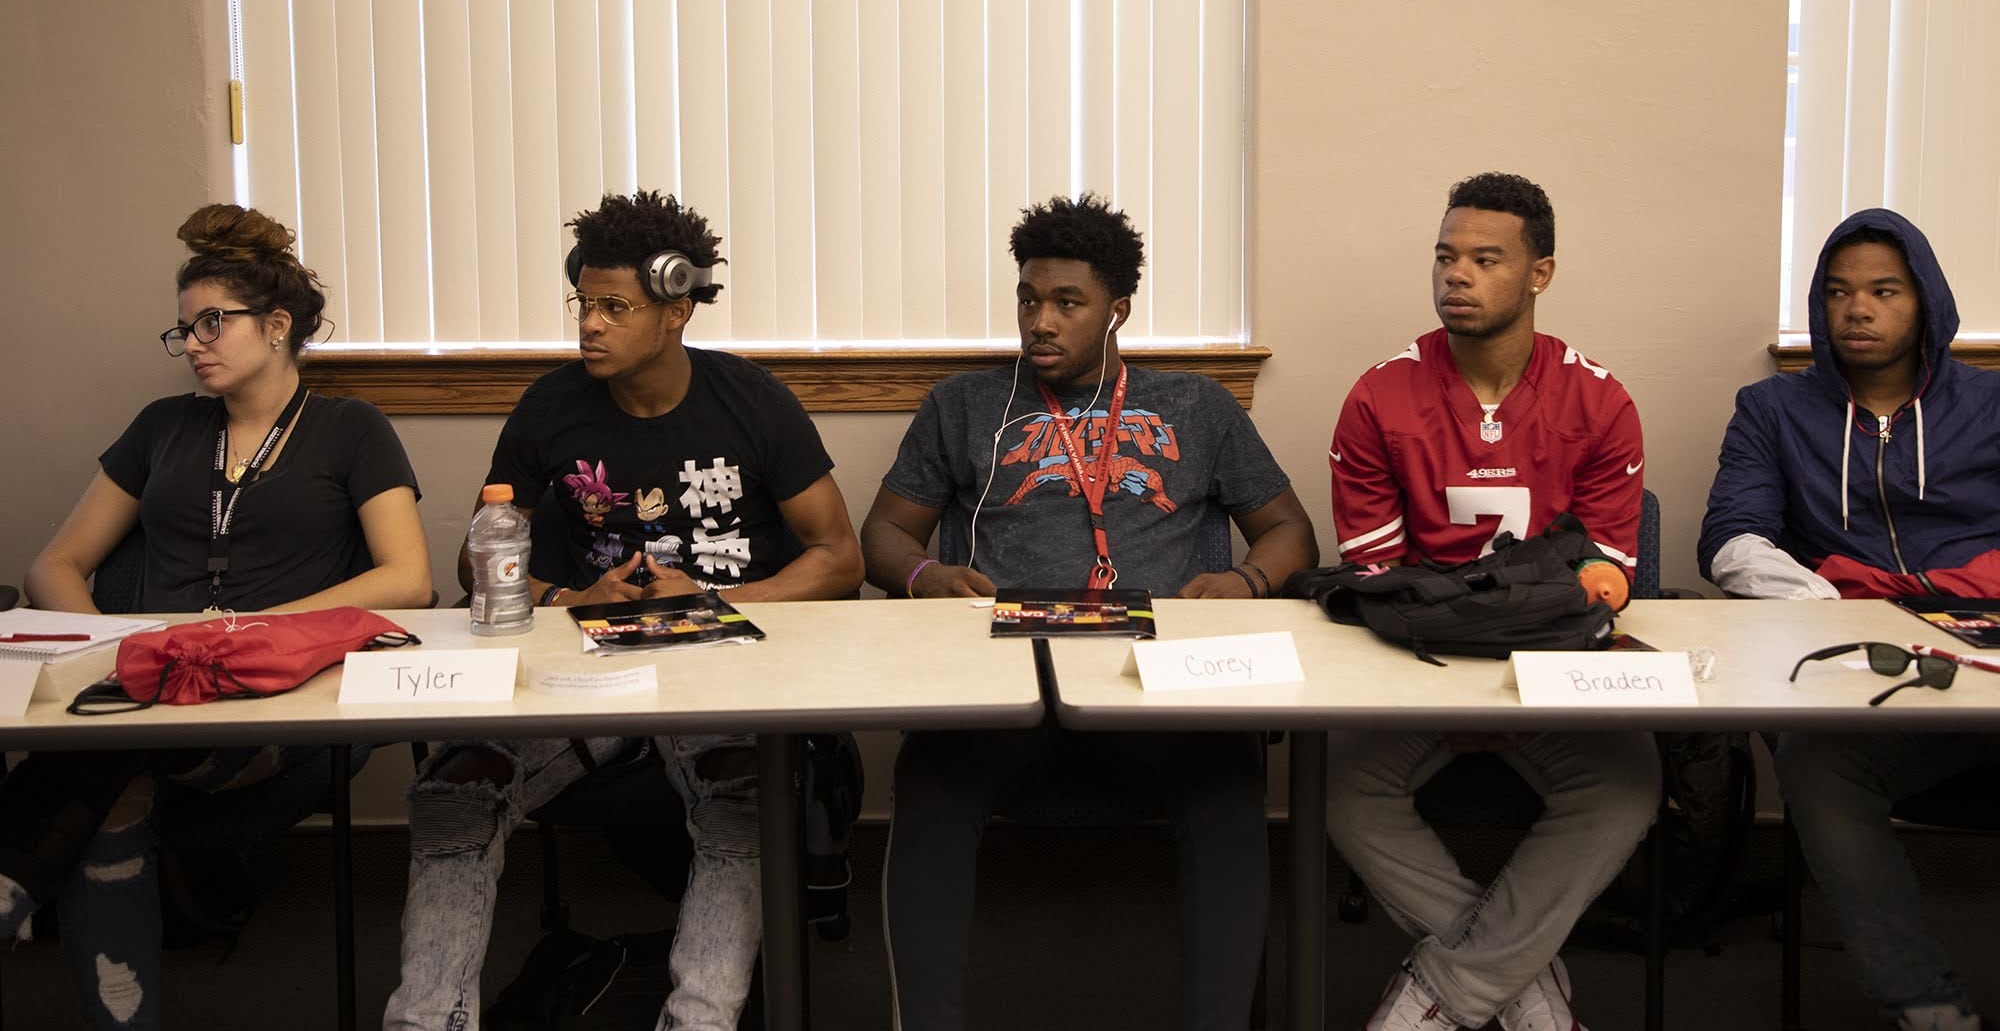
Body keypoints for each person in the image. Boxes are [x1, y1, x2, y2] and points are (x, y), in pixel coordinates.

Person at [384, 189, 863, 1031]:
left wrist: (714, 600)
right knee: (454, 793)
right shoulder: (550, 407)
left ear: (676, 309)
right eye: (584, 304)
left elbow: (839, 557)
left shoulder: (752, 401)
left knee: (743, 798)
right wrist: (570, 599)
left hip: (718, 665)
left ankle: (698, 1021)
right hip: (587, 668)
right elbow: (479, 556)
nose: (590, 325)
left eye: (615, 307)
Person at [861, 193, 1318, 1030]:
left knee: (1227, 787)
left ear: (1118, 310)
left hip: (1156, 691)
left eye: (1067, 303)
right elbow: (884, 530)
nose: (1041, 320)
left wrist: (1249, 580)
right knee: (927, 780)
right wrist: (924, 573)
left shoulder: (1199, 406)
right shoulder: (964, 404)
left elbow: (1292, 530)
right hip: (1006, 690)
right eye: (1029, 298)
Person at [12, 203, 430, 1031]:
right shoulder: (162, 429)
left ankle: (14, 878)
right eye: (184, 329)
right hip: (152, 681)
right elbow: (51, 567)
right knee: (117, 775)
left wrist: (251, 629)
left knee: (104, 761)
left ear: (276, 325)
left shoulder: (351, 429)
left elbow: (408, 577)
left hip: (268, 695)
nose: (194, 342)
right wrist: (118, 644)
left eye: (213, 322)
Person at [1325, 173, 1660, 1031]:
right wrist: (1457, 690)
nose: (1455, 276)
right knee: (1347, 794)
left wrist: (1514, 682)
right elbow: (1381, 584)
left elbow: (1600, 583)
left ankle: (1443, 997)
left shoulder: (1602, 400)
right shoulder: (1377, 396)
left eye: (1483, 258)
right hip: (1417, 670)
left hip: (1550, 675)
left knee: (1624, 785)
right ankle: (1531, 996)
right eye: (1444, 256)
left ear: (1540, 273)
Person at [1698, 207, 2000, 1031]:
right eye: (1837, 292)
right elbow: (1731, 538)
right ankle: (1928, 1004)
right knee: (1817, 760)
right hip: (1864, 680)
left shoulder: (1993, 404)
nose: (1857, 309)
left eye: (1882, 291)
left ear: (1925, 301)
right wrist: (1843, 608)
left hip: (1989, 667)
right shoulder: (1772, 410)